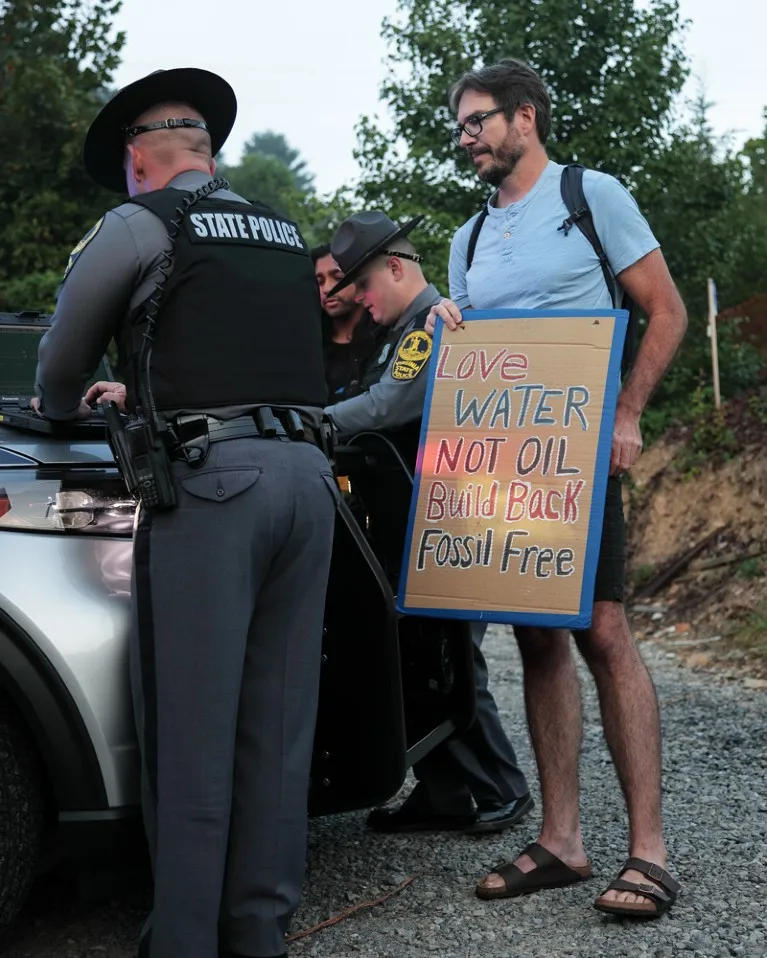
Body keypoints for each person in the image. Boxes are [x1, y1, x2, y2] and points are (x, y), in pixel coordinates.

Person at [33, 67, 337, 958]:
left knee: (191, 735)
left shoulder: (143, 221)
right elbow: (248, 350)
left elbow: (56, 372)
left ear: (139, 159)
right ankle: (258, 935)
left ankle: (185, 946)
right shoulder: (281, 230)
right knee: (276, 734)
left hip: (214, 493)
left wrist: (94, 396)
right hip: (306, 483)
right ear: (208, 149)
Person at [426, 58, 687, 917]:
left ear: (524, 116)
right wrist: (446, 323)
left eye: (476, 122)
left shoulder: (589, 194)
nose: (464, 138)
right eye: (458, 126)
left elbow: (667, 309)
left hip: (580, 453)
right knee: (537, 639)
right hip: (509, 469)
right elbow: (470, 352)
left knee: (602, 631)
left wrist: (626, 413)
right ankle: (562, 840)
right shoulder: (466, 237)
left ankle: (647, 852)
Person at [323, 211, 533, 836]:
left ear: (395, 267)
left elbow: (389, 404)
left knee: (448, 661)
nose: (357, 298)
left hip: (446, 524)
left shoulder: (430, 326)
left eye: (362, 283)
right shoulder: (398, 330)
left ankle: (502, 788)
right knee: (413, 656)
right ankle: (443, 792)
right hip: (411, 520)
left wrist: (310, 420)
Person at [311, 243, 383, 404]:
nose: (327, 288)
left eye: (337, 278)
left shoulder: (384, 335)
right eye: (319, 281)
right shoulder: (310, 343)